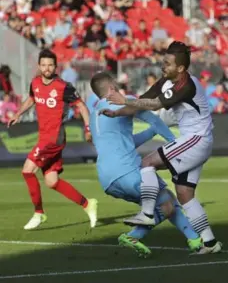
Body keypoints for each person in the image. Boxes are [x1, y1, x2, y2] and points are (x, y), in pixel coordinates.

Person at [101, 41, 222, 253]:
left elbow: (155, 105)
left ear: (181, 68)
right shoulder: (165, 81)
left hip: (197, 139)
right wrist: (117, 111)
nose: (162, 66)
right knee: (184, 193)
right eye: (163, 61)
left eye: (167, 63)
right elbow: (142, 101)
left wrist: (122, 100)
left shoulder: (187, 85)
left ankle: (147, 213)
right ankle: (210, 242)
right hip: (195, 140)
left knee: (147, 162)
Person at [89, 72, 204, 257]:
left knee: (166, 199)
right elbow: (156, 121)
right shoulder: (124, 101)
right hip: (128, 171)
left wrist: (151, 132)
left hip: (108, 180)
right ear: (111, 88)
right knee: (166, 203)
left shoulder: (95, 115)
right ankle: (134, 236)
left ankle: (195, 240)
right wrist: (176, 143)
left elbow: (126, 142)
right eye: (115, 84)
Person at [8, 49, 97, 230]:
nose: (47, 68)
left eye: (50, 65)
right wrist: (18, 113)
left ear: (55, 67)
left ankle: (39, 213)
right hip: (44, 136)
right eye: (44, 65)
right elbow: (32, 99)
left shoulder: (63, 87)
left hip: (54, 138)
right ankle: (88, 204)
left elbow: (81, 105)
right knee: (52, 181)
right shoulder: (35, 83)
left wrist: (88, 128)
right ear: (39, 66)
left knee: (27, 170)